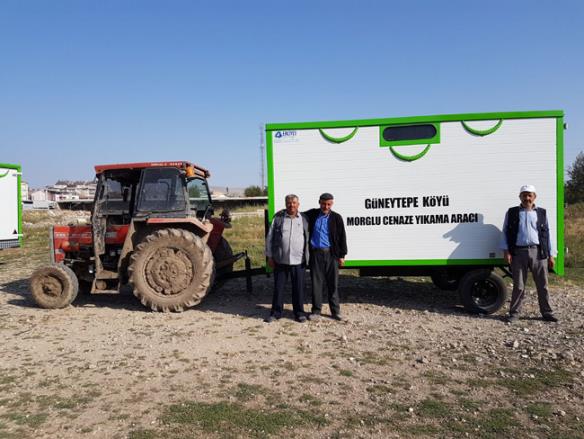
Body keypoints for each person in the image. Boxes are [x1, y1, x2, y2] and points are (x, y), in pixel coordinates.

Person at [501, 185, 558, 323]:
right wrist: (506, 251)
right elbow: (505, 232)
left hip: (538, 252)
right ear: (520, 197)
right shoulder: (512, 212)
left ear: (534, 197)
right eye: (524, 195)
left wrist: (551, 254)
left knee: (542, 285)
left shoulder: (541, 213)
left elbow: (547, 234)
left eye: (530, 195)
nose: (527, 198)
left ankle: (547, 312)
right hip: (518, 253)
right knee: (519, 286)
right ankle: (514, 314)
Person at [265, 194, 310, 323]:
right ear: (286, 204)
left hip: (298, 260)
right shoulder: (278, 218)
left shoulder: (304, 219)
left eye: (294, 203)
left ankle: (299, 313)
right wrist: (269, 256)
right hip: (280, 260)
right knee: (278, 288)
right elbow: (270, 237)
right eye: (289, 203)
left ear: (298, 204)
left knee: (299, 289)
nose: (291, 205)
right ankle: (276, 313)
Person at [305, 193, 347, 321]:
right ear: (319, 202)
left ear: (332, 204)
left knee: (332, 284)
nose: (326, 206)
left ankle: (335, 312)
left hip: (331, 254)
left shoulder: (336, 218)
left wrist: (342, 255)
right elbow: (296, 213)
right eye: (324, 203)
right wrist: (283, 211)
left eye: (329, 204)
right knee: (316, 284)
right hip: (316, 254)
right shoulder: (312, 214)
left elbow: (342, 237)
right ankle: (316, 311)